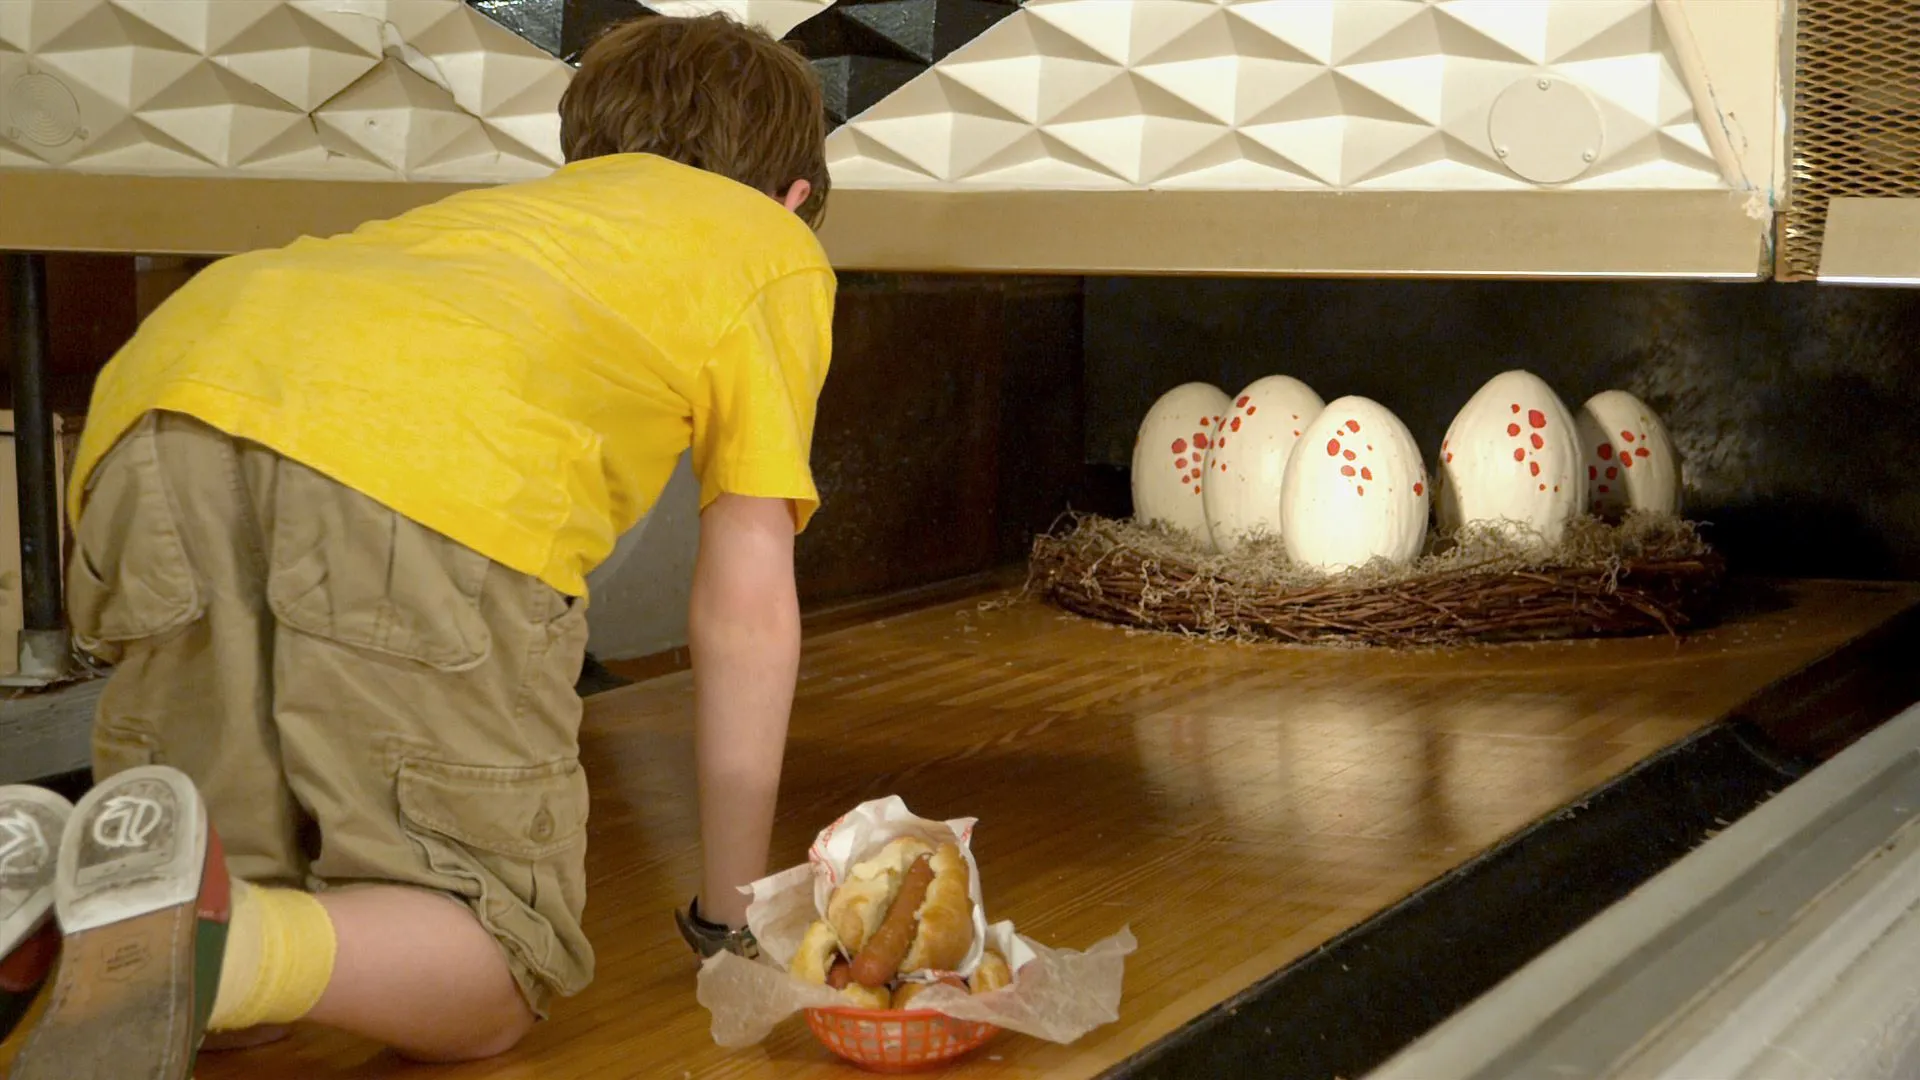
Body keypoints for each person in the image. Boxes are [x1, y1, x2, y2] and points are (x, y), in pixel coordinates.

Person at [0, 12, 832, 1077]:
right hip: (418, 450)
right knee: (491, 972)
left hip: (165, 393)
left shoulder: (501, 220)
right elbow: (746, 595)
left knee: (236, 939)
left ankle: (74, 898)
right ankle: (205, 937)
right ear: (791, 195)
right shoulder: (766, 241)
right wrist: (732, 913)